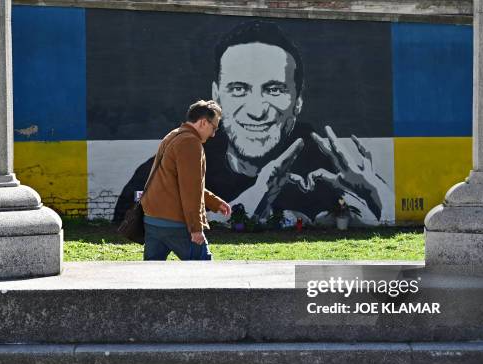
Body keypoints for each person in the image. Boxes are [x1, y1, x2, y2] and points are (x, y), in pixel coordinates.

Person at [114, 21, 392, 226]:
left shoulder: (332, 169)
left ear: (297, 101)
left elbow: (375, 225)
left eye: (274, 90)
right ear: (216, 95)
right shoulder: (175, 160)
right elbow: (126, 218)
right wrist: (256, 197)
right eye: (238, 89)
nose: (256, 111)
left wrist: (381, 199)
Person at [139, 100, 231, 260]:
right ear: (203, 122)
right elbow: (190, 189)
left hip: (152, 220)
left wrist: (214, 202)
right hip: (175, 223)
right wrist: (196, 228)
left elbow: (181, 182)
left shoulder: (174, 135)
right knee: (204, 271)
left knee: (151, 275)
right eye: (214, 127)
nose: (213, 134)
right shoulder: (190, 143)